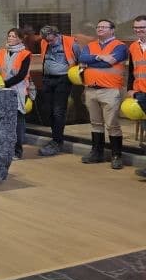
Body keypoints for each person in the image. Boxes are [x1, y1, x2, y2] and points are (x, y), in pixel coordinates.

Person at [78, 19, 127, 169]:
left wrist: (92, 60)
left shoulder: (120, 46)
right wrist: (100, 57)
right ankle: (97, 153)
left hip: (110, 90)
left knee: (112, 124)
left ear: (112, 30)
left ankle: (116, 155)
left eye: (104, 27)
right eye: (98, 27)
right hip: (91, 89)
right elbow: (82, 58)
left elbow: (109, 62)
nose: (99, 29)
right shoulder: (89, 45)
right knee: (96, 123)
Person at [37, 25, 81, 157]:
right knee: (48, 110)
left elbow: (80, 60)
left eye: (51, 40)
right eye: (47, 40)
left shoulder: (71, 43)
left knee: (58, 111)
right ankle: (54, 137)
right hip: (47, 79)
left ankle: (57, 141)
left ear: (57, 35)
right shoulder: (44, 42)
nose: (49, 43)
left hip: (63, 79)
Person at [0, 28, 32, 160]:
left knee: (18, 120)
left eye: (14, 36)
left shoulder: (25, 54)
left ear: (20, 39)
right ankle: (5, 149)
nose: (10, 38)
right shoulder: (1, 53)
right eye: (9, 36)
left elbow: (22, 74)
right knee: (4, 120)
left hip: (18, 90)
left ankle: (17, 150)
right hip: (3, 90)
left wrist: (5, 84)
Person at [127, 15, 146, 178]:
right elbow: (132, 70)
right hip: (140, 94)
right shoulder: (133, 46)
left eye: (142, 27)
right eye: (136, 27)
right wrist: (130, 89)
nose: (139, 30)